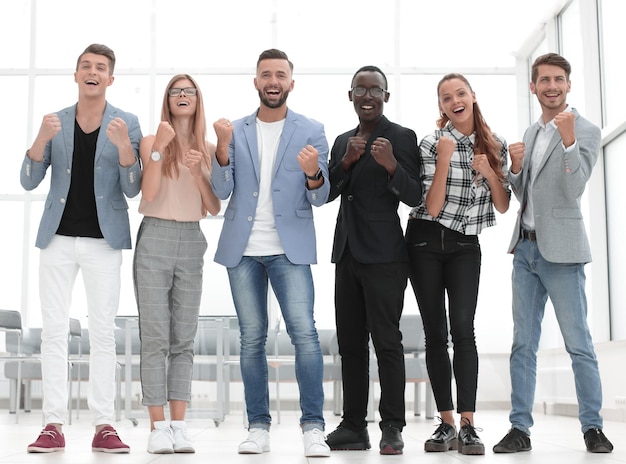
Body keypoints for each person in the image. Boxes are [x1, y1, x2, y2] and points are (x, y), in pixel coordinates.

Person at [20, 43, 140, 454]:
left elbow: (133, 187)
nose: (93, 71)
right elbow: (28, 180)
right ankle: (52, 423)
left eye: (101, 67)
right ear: (76, 75)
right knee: (54, 332)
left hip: (103, 243)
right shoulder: (56, 121)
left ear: (110, 78)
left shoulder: (127, 122)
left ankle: (104, 424)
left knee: (102, 333)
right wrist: (41, 136)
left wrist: (125, 146)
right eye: (86, 66)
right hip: (56, 240)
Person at [210, 48, 331, 458]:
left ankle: (313, 427)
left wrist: (314, 172)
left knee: (305, 335)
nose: (273, 81)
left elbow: (321, 196)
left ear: (291, 83)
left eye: (280, 74)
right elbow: (222, 189)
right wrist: (222, 149)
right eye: (266, 74)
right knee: (251, 340)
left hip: (289, 249)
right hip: (243, 250)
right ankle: (257, 426)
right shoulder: (235, 129)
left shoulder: (312, 130)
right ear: (256, 81)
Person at [493, 52, 613, 454]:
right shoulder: (529, 134)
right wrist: (513, 167)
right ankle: (520, 429)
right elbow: (525, 194)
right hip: (525, 253)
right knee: (522, 345)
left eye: (558, 79)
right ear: (533, 86)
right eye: (544, 80)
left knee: (578, 343)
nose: (551, 86)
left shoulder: (587, 130)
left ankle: (593, 428)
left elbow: (574, 188)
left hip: (562, 254)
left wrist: (569, 141)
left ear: (568, 84)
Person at [405, 73, 510, 456]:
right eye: (446, 97)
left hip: (466, 244)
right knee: (436, 332)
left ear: (472, 97)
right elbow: (431, 207)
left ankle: (468, 425)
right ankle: (445, 423)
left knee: (464, 330)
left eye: (460, 93)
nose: (454, 101)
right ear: (442, 106)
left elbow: (502, 203)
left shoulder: (494, 144)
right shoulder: (432, 142)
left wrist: (490, 173)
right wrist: (447, 160)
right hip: (424, 240)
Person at [324, 65, 422, 456]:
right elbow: (328, 191)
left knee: (387, 342)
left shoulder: (401, 137)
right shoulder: (342, 140)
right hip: (347, 252)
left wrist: (392, 166)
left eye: (375, 89)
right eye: (360, 89)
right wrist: (344, 162)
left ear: (385, 96)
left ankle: (392, 428)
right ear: (350, 96)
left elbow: (414, 195)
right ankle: (353, 426)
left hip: (384, 256)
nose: (367, 95)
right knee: (350, 343)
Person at [133, 74, 221, 454]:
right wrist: (159, 150)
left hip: (191, 237)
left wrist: (201, 171)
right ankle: (157, 427)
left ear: (198, 100)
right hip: (154, 236)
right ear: (167, 100)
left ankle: (180, 425)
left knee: (183, 340)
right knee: (154, 338)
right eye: (176, 91)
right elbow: (147, 194)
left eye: (189, 92)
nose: (183, 96)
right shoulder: (153, 141)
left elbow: (214, 206)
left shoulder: (210, 147)